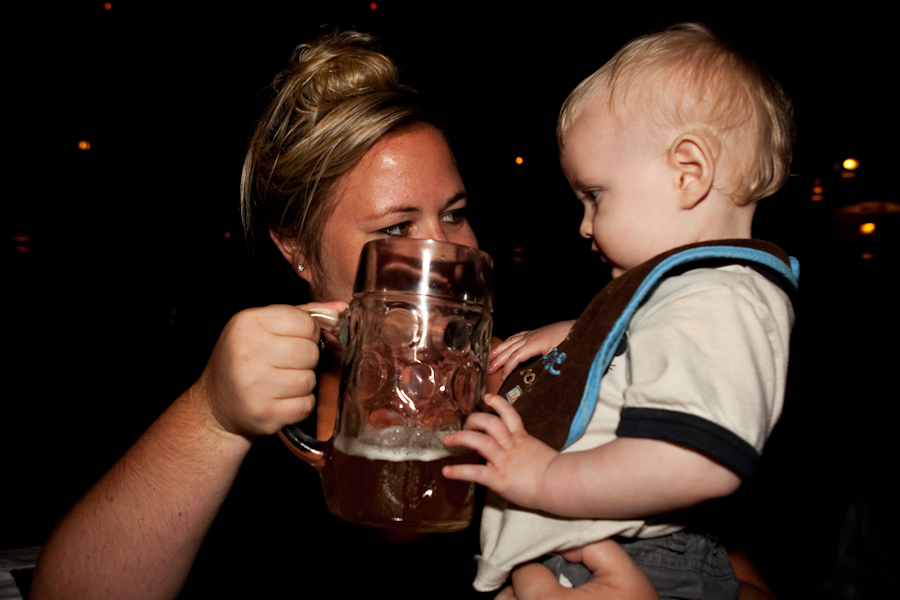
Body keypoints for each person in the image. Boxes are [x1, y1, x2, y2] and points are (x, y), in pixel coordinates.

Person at [29, 30, 659, 600]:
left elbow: (739, 579)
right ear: (295, 249)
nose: (447, 251)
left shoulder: (543, 386)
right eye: (397, 226)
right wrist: (213, 418)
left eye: (456, 212)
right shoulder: (221, 410)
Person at [443, 23, 797, 600]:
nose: (584, 226)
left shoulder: (715, 296)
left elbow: (695, 458)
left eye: (595, 196)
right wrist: (583, 334)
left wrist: (545, 477)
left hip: (641, 560)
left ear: (689, 172)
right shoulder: (689, 295)